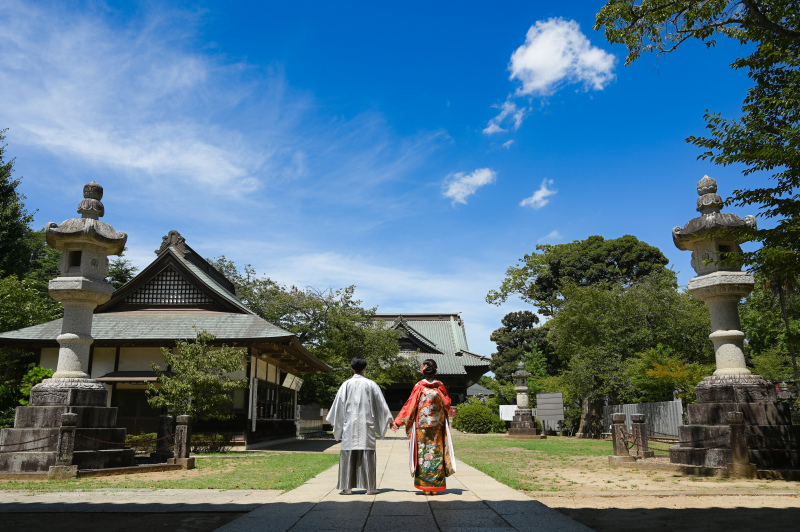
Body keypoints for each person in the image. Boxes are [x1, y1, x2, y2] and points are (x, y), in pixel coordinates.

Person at [326, 356, 394, 495]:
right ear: (365, 368)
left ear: (352, 368)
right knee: (367, 454)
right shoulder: (371, 384)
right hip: (366, 424)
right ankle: (370, 487)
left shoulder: (345, 385)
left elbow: (338, 406)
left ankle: (347, 488)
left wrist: (337, 422)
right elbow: (381, 405)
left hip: (349, 425)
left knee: (348, 452)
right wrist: (389, 419)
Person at [391, 358, 456, 495]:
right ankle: (435, 486)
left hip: (422, 426)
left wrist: (398, 421)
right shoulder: (440, 387)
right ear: (436, 371)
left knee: (423, 453)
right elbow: (447, 404)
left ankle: (425, 486)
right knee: (436, 453)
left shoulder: (419, 387)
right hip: (437, 427)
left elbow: (411, 405)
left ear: (423, 371)